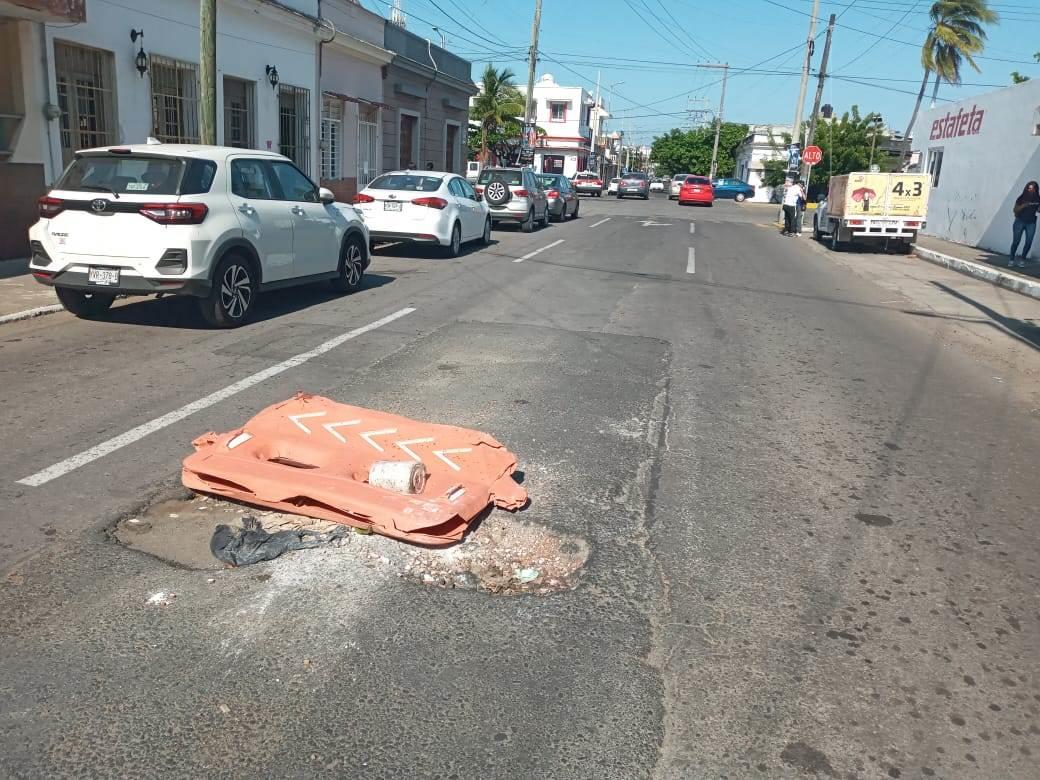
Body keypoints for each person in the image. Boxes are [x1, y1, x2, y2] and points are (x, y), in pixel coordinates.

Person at [1009, 181, 1040, 268]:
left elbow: (1038, 210)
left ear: (1036, 190)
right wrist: (1024, 205)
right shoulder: (1021, 198)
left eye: (1032, 189)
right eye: (1029, 188)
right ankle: (1011, 259)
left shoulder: (1038, 199)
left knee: (1029, 242)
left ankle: (1022, 260)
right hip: (1020, 221)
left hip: (1031, 223)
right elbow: (1015, 210)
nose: (1030, 190)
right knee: (1016, 241)